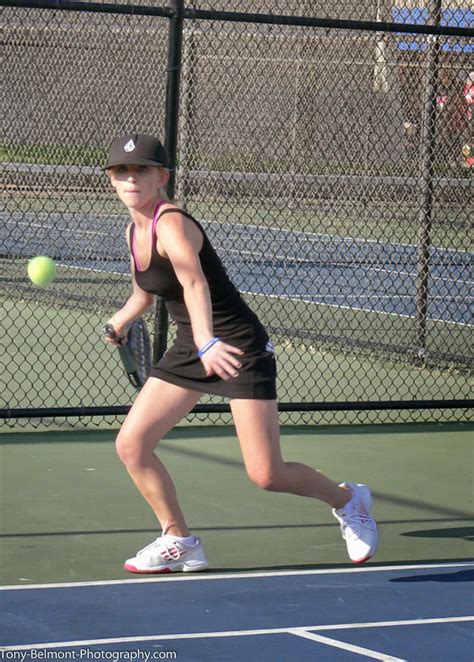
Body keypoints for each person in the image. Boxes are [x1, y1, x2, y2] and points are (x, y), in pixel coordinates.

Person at [103, 133, 379, 574]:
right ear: (112, 181)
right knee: (132, 445)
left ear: (162, 177)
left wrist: (210, 340)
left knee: (266, 474)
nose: (131, 178)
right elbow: (146, 289)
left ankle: (349, 501)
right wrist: (121, 318)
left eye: (142, 170)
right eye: (122, 171)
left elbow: (195, 283)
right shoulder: (133, 230)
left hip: (237, 345)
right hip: (194, 346)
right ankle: (179, 539)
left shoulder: (170, 223)